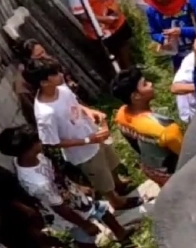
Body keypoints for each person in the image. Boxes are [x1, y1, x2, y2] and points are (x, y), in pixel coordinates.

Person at [0, 125, 137, 248]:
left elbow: (56, 174)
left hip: (70, 195)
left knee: (101, 209)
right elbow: (60, 208)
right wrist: (85, 224)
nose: (41, 141)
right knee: (84, 238)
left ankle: (121, 233)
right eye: (37, 140)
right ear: (29, 148)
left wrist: (76, 187)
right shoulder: (38, 183)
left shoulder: (31, 158)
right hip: (66, 214)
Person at [26, 59, 138, 211]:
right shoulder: (45, 114)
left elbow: (75, 103)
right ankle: (116, 202)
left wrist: (91, 112)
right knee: (101, 178)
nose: (61, 75)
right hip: (83, 152)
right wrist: (86, 140)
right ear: (44, 82)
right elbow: (52, 142)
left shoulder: (61, 87)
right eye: (55, 74)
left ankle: (119, 185)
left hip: (94, 134)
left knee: (110, 163)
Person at [112, 68, 183, 186]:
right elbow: (187, 155)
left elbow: (135, 145)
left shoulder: (121, 116)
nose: (151, 84)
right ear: (136, 96)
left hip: (150, 168)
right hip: (171, 173)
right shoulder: (165, 129)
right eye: (145, 84)